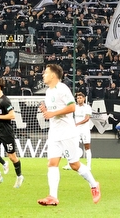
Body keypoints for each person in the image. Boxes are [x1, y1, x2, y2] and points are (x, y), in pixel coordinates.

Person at [37, 63, 100, 207]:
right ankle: (53, 196)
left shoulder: (62, 88)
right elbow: (53, 112)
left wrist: (52, 113)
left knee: (74, 165)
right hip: (54, 133)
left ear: (53, 75)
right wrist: (46, 111)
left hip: (67, 133)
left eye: (46, 73)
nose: (43, 75)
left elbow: (71, 107)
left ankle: (94, 185)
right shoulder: (48, 92)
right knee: (52, 164)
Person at [67, 92, 94, 169]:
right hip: (76, 130)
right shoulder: (75, 107)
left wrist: (77, 124)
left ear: (84, 99)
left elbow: (87, 119)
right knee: (73, 147)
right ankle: (71, 164)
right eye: (77, 98)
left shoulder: (87, 107)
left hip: (85, 130)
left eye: (80, 98)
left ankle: (88, 166)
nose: (79, 99)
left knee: (87, 147)